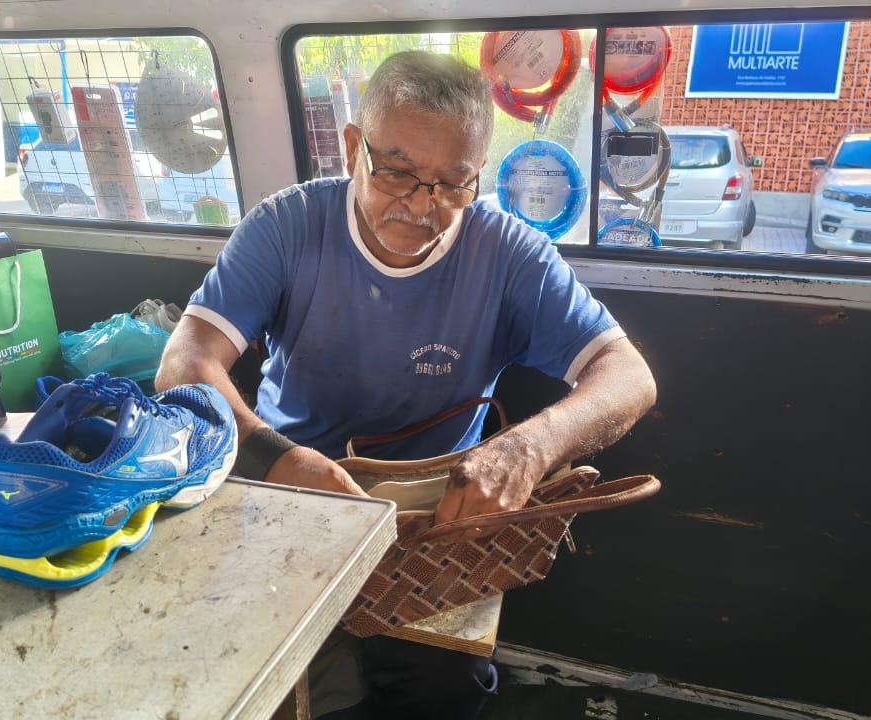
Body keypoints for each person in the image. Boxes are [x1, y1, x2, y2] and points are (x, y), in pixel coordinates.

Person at [156, 51, 656, 719]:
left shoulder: (507, 254)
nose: (424, 206)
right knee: (251, 678)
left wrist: (528, 449)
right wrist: (276, 459)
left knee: (443, 693)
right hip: (290, 490)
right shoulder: (286, 227)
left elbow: (629, 375)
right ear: (354, 148)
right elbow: (184, 363)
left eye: (454, 182)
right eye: (398, 172)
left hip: (437, 521)